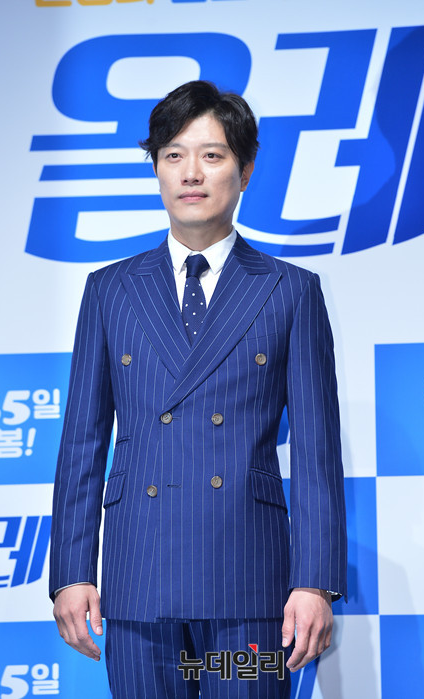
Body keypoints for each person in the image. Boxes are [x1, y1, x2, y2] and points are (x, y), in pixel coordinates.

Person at [50, 80, 347, 699]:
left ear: (245, 170)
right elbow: (82, 443)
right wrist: (71, 573)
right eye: (173, 155)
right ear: (156, 169)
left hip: (249, 580)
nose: (191, 173)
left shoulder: (290, 290)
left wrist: (315, 581)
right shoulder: (110, 290)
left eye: (212, 155)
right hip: (139, 575)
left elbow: (317, 453)